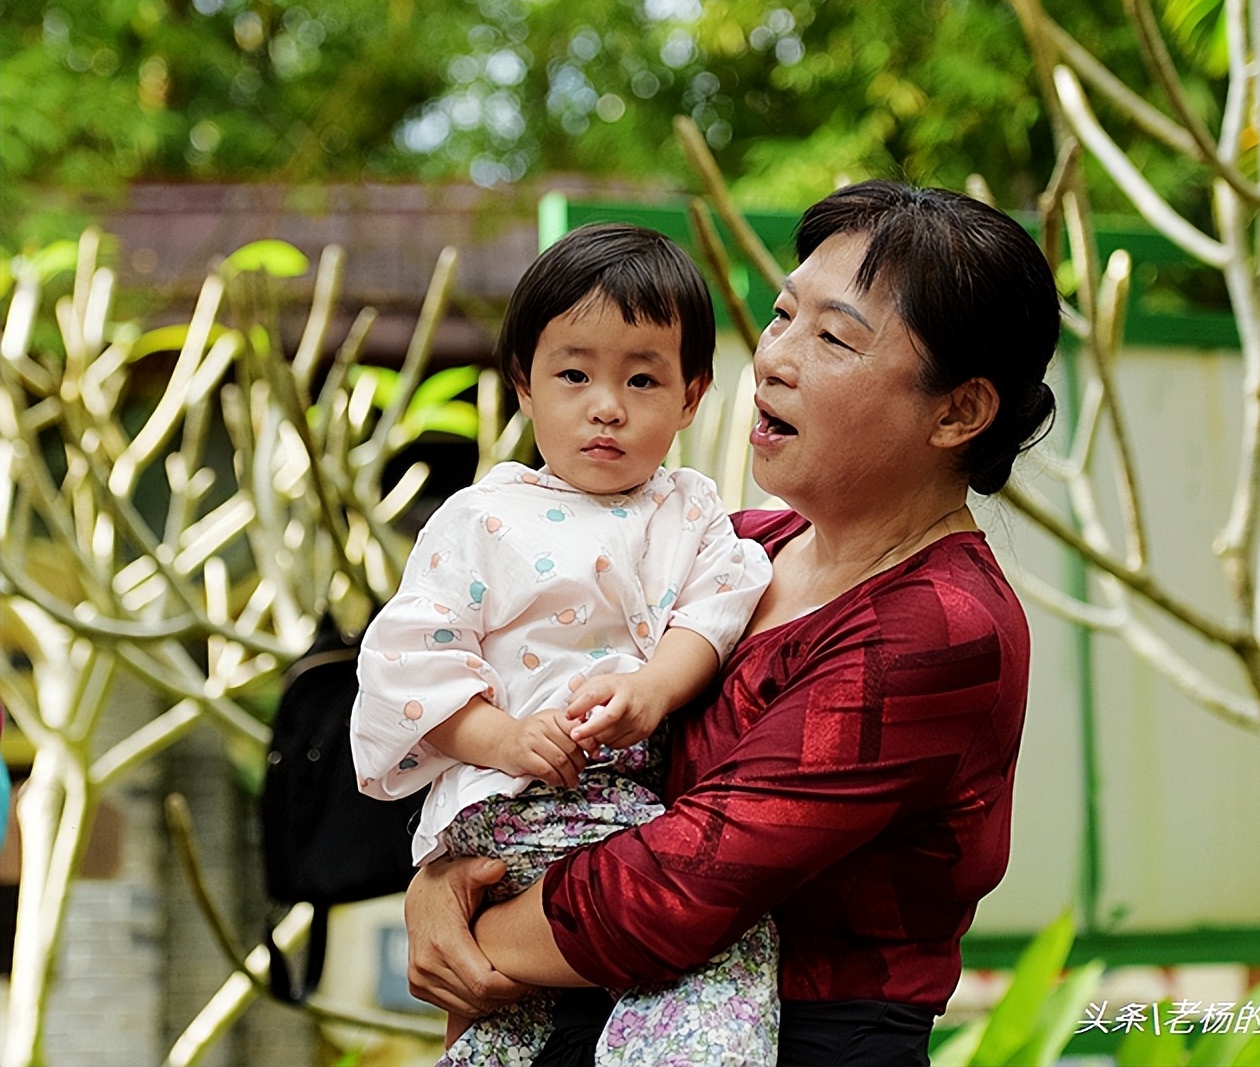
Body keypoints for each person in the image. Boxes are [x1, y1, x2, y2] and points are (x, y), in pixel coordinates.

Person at [403, 182, 1062, 1067]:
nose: (776, 358)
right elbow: (498, 677)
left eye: (831, 336)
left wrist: (472, 930)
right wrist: (436, 883)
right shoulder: (736, 545)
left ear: (958, 412)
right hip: (576, 1015)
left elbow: (684, 875)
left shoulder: (941, 627)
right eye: (783, 315)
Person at [350, 222, 776, 1066]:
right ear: (525, 386)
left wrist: (656, 687)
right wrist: (504, 738)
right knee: (719, 932)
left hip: (621, 807)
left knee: (513, 1013)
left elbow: (718, 607)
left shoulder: (689, 512)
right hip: (523, 801)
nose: (606, 405)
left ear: (692, 398)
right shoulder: (486, 517)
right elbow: (409, 664)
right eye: (574, 374)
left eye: (643, 379)